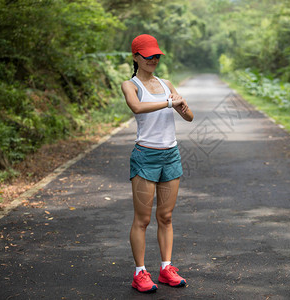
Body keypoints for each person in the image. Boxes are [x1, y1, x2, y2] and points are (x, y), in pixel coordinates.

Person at [121, 34, 194, 293]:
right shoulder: (130, 85)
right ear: (136, 57)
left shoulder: (166, 83)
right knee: (142, 220)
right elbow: (137, 108)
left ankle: (166, 268)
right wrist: (168, 102)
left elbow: (189, 117)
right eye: (148, 55)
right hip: (146, 156)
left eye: (156, 56)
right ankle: (140, 272)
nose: (153, 59)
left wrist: (182, 107)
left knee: (166, 216)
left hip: (170, 155)